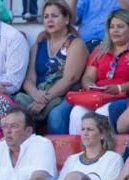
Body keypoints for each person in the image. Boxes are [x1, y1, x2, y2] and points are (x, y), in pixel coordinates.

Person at [55, 10, 129, 135]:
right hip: (97, 95)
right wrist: (91, 85)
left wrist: (118, 88)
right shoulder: (100, 50)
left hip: (120, 97)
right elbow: (88, 76)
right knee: (77, 112)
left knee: (102, 113)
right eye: (112, 27)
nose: (115, 30)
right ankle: (79, 153)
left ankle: (105, 151)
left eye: (120, 26)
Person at [16, 0, 88, 131]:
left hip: (64, 95)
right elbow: (29, 79)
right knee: (17, 110)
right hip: (39, 94)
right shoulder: (38, 45)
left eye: (54, 16)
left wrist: (44, 99)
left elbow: (69, 79)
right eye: (46, 16)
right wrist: (36, 95)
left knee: (56, 116)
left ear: (66, 19)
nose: (50, 20)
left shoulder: (76, 44)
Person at [49, 113, 123, 180]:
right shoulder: (72, 159)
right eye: (83, 129)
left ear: (102, 135)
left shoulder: (113, 159)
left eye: (90, 129)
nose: (85, 133)